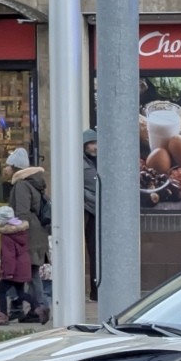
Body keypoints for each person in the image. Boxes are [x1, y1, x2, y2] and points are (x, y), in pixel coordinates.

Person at [5, 147, 51, 324]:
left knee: (19, 272)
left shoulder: (21, 185)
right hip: (36, 233)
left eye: (8, 165)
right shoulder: (34, 182)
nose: (5, 169)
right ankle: (38, 308)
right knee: (31, 273)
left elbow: (22, 213)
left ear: (15, 167)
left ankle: (33, 308)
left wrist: (13, 231)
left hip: (27, 234)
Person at [0, 206, 35, 326]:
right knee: (19, 292)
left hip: (13, 269)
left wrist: (8, 272)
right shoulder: (22, 231)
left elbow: (9, 256)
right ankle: (38, 307)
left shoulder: (7, 236)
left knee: (1, 291)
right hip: (23, 266)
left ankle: (2, 316)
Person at [82, 129, 99, 301]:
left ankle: (100, 289)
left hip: (103, 212)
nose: (95, 147)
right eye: (91, 143)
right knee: (93, 251)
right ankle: (95, 291)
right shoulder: (78, 163)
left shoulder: (102, 161)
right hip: (89, 212)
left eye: (96, 143)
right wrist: (94, 199)